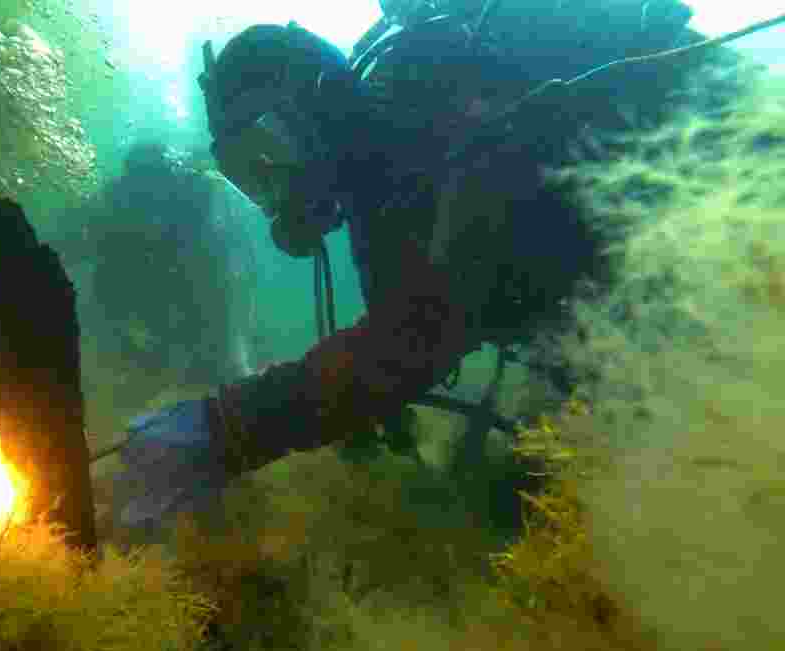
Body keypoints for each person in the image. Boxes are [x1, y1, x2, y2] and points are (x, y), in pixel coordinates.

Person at [111, 0, 709, 528]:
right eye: (247, 176)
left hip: (700, 243)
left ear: (317, 111)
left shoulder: (446, 121)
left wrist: (226, 429)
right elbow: (401, 341)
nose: (273, 191)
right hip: (627, 307)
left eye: (269, 154)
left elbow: (416, 341)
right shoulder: (385, 192)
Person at [70, 141, 260, 394]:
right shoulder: (125, 203)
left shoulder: (187, 196)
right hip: (165, 296)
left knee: (216, 364)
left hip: (188, 296)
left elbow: (220, 277)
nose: (149, 197)